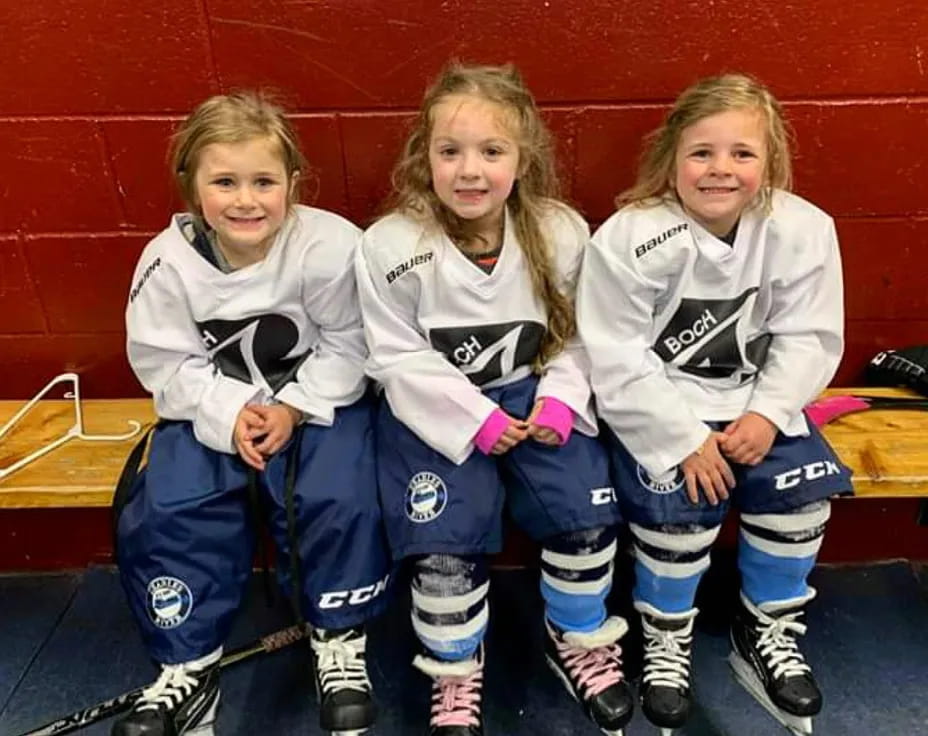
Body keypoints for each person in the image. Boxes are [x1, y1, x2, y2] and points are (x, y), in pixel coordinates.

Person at [355, 63, 634, 736]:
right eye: (450, 151)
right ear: (425, 156)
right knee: (443, 545)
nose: (470, 170)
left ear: (523, 157)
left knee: (584, 520)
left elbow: (582, 335)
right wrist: (475, 418)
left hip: (536, 401)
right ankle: (454, 668)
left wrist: (563, 401)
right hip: (439, 414)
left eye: (491, 151)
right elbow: (395, 356)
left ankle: (579, 635)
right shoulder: (391, 245)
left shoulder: (561, 231)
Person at [577, 74, 852, 736]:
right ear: (671, 156)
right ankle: (666, 639)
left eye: (741, 153)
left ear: (770, 162)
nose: (720, 169)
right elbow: (614, 351)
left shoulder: (802, 228)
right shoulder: (629, 237)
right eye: (701, 152)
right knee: (678, 512)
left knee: (800, 498)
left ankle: (766, 630)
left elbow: (809, 334)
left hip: (760, 405)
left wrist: (767, 413)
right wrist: (681, 439)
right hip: (666, 410)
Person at [116, 92, 390, 736]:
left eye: (264, 181)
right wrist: (231, 408)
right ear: (192, 186)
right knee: (172, 502)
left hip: (317, 404)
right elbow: (164, 362)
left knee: (339, 492)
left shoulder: (329, 246)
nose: (246, 200)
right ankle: (190, 666)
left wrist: (294, 407)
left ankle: (338, 638)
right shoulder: (166, 263)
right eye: (224, 182)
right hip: (215, 410)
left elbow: (353, 341)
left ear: (292, 183)